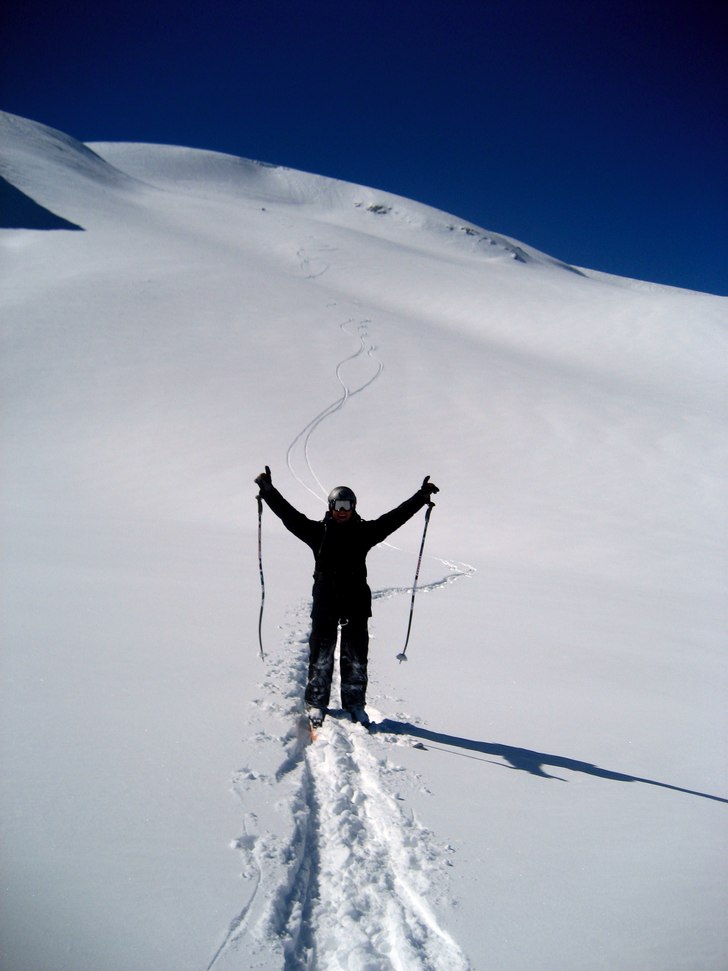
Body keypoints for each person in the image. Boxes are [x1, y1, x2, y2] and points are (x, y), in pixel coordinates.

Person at [254, 468, 439, 728]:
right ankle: (316, 703)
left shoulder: (365, 533)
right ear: (330, 507)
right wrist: (269, 492)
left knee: (355, 657)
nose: (342, 510)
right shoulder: (317, 533)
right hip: (325, 603)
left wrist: (420, 498)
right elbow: (290, 516)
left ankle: (355, 705)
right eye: (337, 505)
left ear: (353, 507)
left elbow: (394, 518)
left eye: (347, 505)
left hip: (355, 603)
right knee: (321, 656)